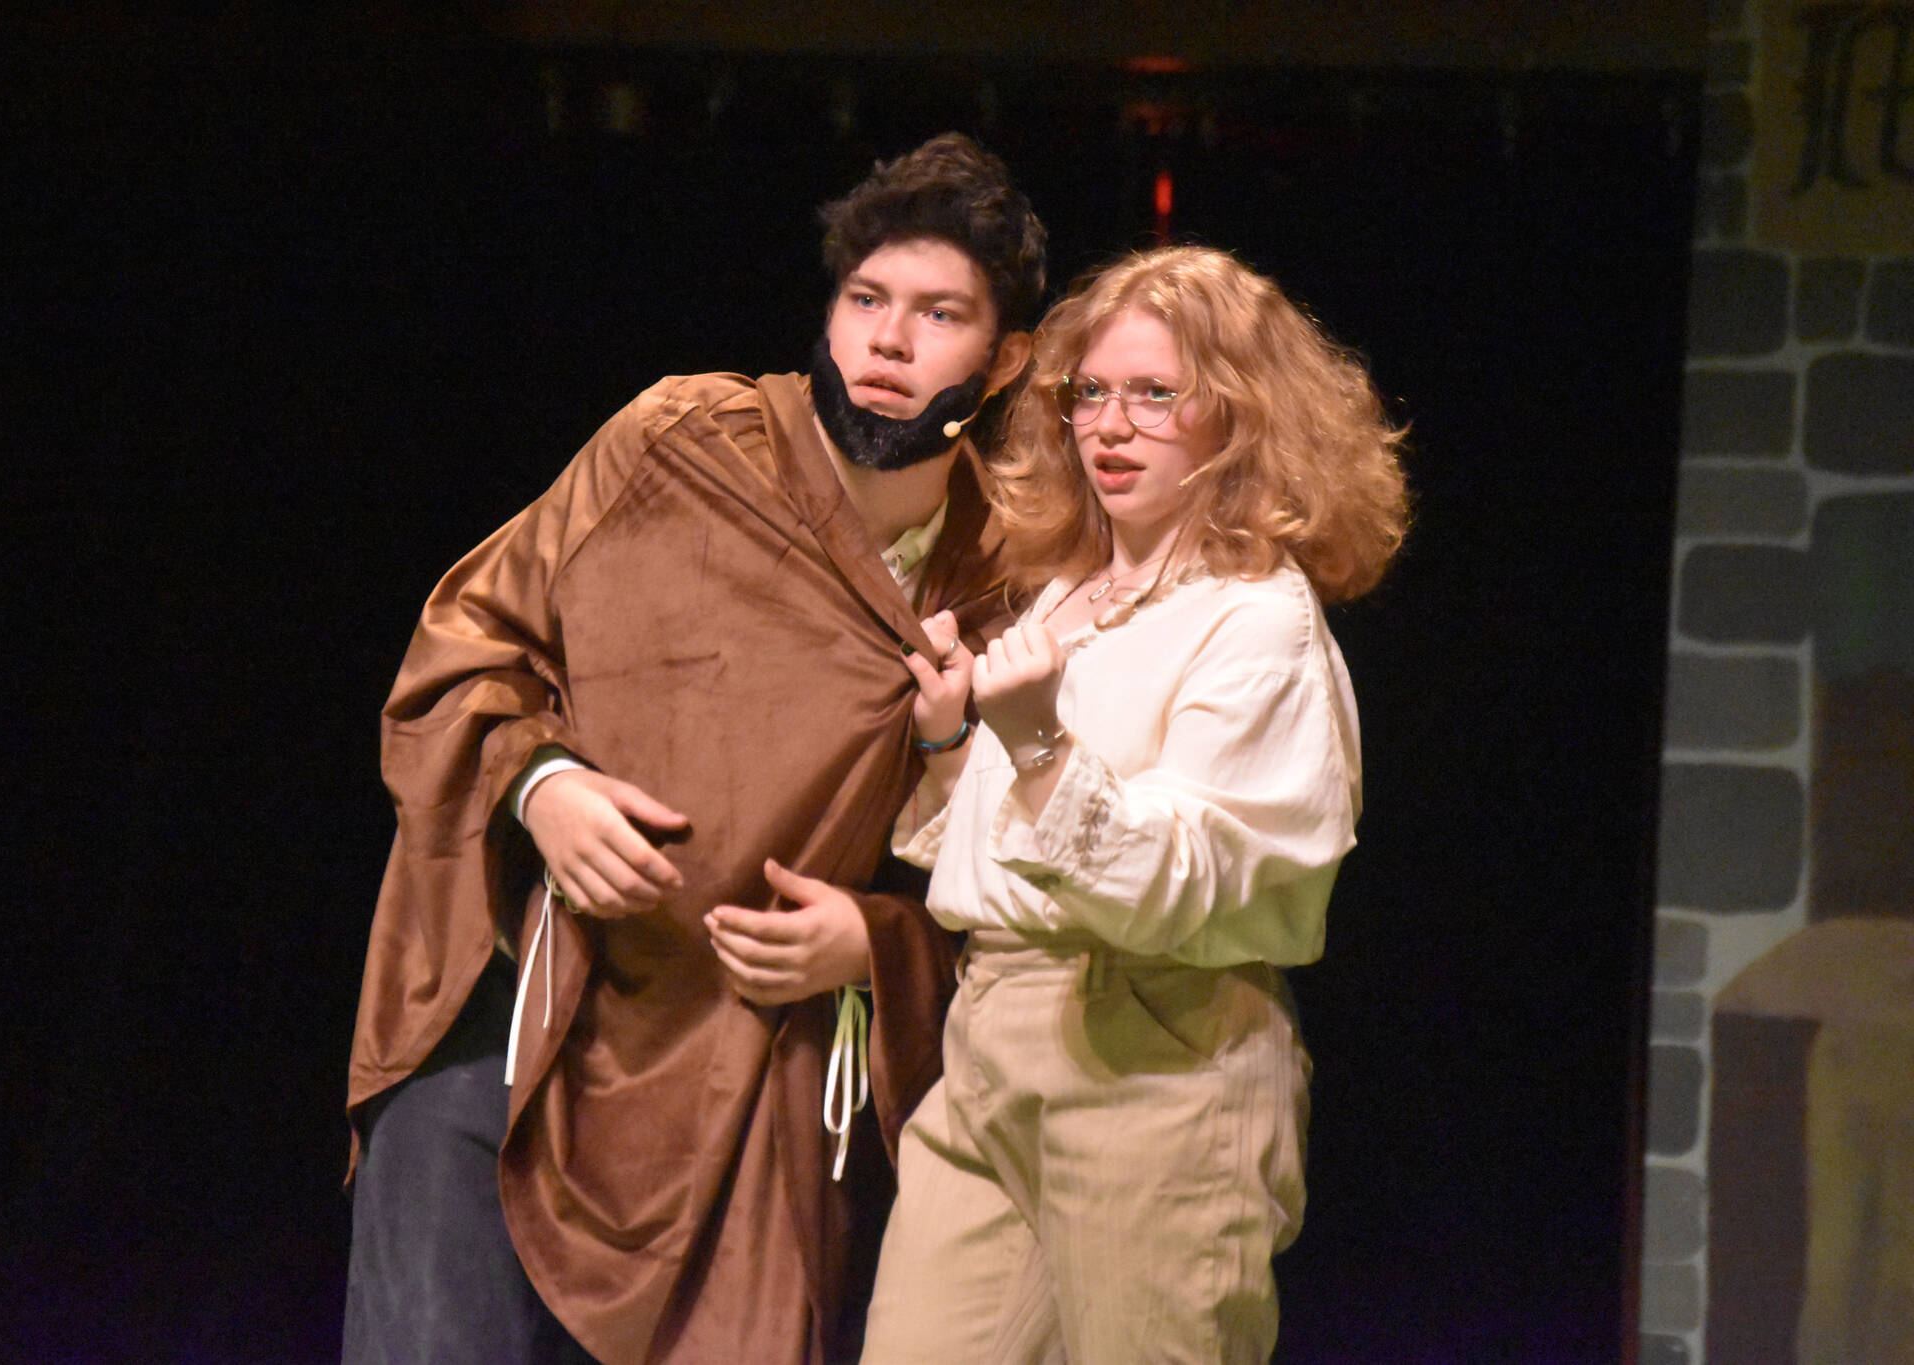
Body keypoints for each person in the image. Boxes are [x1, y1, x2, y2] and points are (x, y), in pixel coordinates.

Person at [341, 134, 1048, 1365]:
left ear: (1008, 357)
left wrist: (873, 946)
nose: (887, 342)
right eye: (865, 301)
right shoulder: (683, 445)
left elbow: (1035, 873)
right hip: (527, 1036)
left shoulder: (1007, 572)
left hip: (751, 1093)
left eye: (938, 315)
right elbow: (459, 653)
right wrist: (540, 786)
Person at [862, 244, 1409, 1363]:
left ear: (1239, 417)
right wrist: (951, 736)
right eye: (1090, 394)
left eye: (1156, 394)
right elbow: (1004, 843)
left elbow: (1189, 881)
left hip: (1154, 1053)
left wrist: (1038, 741)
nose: (1109, 426)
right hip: (992, 1042)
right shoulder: (1067, 592)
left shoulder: (1253, 618)